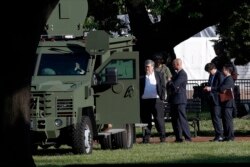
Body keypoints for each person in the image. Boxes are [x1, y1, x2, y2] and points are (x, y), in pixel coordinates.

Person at [140, 59, 166, 143]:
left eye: (148, 67)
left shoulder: (159, 75)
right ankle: (146, 138)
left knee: (159, 119)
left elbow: (163, 86)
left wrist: (162, 97)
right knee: (146, 120)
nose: (146, 68)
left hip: (157, 100)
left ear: (152, 67)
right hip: (144, 101)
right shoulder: (141, 76)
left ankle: (162, 137)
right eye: (145, 67)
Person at [167, 58, 192, 142]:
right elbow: (171, 85)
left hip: (180, 100)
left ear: (177, 64)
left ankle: (188, 137)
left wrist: (170, 82)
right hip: (174, 100)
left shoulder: (182, 74)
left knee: (182, 119)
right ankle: (178, 137)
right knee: (175, 120)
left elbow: (174, 85)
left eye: (173, 65)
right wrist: (171, 83)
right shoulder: (176, 74)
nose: (173, 66)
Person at [203, 63, 224, 142]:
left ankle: (220, 135)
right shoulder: (211, 75)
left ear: (212, 69)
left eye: (209, 71)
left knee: (216, 118)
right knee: (214, 118)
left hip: (217, 100)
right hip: (211, 99)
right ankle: (217, 135)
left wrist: (211, 88)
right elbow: (210, 84)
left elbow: (221, 88)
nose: (209, 73)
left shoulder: (219, 75)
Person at [219, 63, 236, 141]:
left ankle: (230, 137)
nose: (222, 70)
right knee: (225, 120)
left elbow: (222, 88)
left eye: (223, 69)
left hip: (228, 103)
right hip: (225, 103)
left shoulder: (229, 79)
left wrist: (221, 88)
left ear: (227, 70)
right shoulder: (226, 78)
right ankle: (226, 136)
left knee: (228, 121)